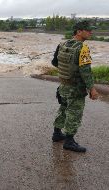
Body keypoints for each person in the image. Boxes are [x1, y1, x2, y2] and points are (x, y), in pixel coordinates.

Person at [51, 20, 99, 152]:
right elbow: (85, 71)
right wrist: (92, 89)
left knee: (63, 108)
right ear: (79, 31)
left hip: (63, 86)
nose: (91, 32)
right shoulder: (82, 48)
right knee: (74, 113)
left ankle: (57, 134)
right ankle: (69, 141)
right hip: (76, 87)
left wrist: (67, 72)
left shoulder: (62, 44)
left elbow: (55, 62)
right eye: (88, 30)